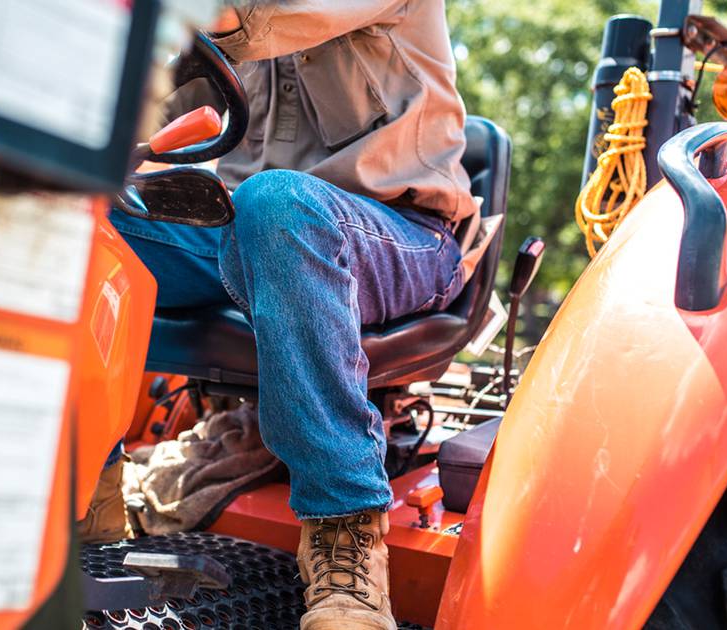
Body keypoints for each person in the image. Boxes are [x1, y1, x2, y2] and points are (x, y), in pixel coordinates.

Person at [88, 2, 477, 628]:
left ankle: (346, 542)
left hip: (400, 234)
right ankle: (90, 496)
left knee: (276, 203)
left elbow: (237, 18)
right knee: (83, 212)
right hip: (248, 229)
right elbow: (154, 82)